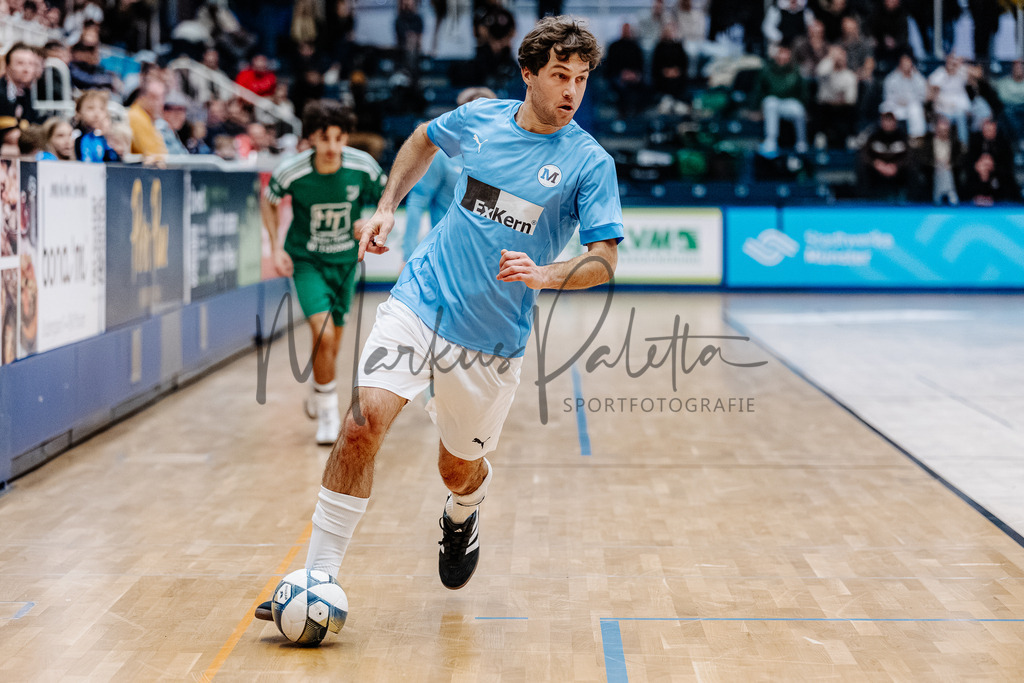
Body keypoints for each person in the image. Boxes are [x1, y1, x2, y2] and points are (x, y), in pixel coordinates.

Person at [253, 16, 623, 622]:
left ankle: (463, 511)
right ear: (528, 74)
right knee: (363, 423)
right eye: (560, 75)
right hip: (421, 298)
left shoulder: (589, 163)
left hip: (491, 338)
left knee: (457, 469)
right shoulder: (479, 120)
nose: (572, 91)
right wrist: (386, 206)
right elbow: (423, 139)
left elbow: (604, 259)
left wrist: (546, 274)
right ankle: (316, 577)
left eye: (581, 79)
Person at [261, 100, 386, 445]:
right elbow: (269, 200)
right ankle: (330, 414)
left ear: (347, 137)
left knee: (331, 342)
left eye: (339, 138)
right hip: (307, 262)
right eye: (324, 138)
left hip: (345, 262)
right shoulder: (292, 171)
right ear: (311, 138)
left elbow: (387, 198)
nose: (332, 146)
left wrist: (372, 221)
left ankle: (319, 391)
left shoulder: (363, 166)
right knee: (324, 334)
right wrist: (276, 246)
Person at [402, 86, 497, 262]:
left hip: (488, 256)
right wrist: (408, 254)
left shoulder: (499, 159)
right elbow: (417, 201)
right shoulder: (441, 156)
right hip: (447, 255)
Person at [753, 43, 810, 154]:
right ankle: (771, 141)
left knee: (799, 110)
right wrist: (756, 109)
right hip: (773, 102)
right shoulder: (767, 69)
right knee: (770, 103)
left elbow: (803, 91)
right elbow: (759, 90)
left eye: (785, 53)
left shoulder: (796, 69)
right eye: (780, 53)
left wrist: (806, 107)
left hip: (790, 102)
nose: (783, 56)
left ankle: (801, 142)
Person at [859, 106, 911, 199]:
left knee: (913, 167)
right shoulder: (874, 136)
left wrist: (896, 166)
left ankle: (909, 199)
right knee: (861, 164)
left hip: (897, 170)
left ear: (895, 122)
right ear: (881, 122)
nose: (888, 124)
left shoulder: (902, 136)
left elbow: (909, 155)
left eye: (890, 121)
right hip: (877, 169)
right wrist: (876, 164)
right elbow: (865, 154)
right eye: (886, 121)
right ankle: (865, 199)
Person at [881, 52, 927, 139]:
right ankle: (889, 136)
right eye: (904, 63)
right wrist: (898, 101)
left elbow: (922, 96)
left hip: (911, 105)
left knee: (916, 109)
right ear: (900, 64)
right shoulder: (891, 78)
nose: (906, 65)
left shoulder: (918, 78)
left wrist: (909, 101)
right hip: (895, 105)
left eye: (908, 63)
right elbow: (887, 96)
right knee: (885, 109)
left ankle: (916, 137)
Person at [73, 89, 120, 162]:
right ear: (78, 113)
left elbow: (114, 160)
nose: (97, 114)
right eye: (90, 108)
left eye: (102, 109)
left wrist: (107, 136)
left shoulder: (103, 138)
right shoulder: (75, 137)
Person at [128, 78, 169, 156]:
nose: (159, 102)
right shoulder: (136, 117)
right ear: (142, 97)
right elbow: (152, 153)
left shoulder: (147, 118)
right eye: (154, 97)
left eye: (161, 98)